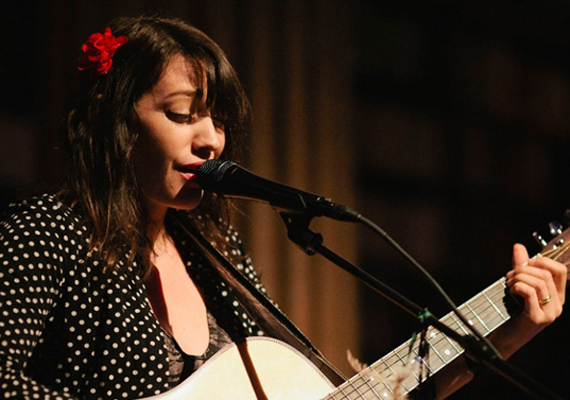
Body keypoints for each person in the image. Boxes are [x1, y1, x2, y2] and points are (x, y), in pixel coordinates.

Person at [0, 15, 565, 400]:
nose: (211, 141)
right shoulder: (47, 233)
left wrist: (503, 337)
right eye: (181, 114)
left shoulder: (217, 260)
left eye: (218, 119)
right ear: (112, 117)